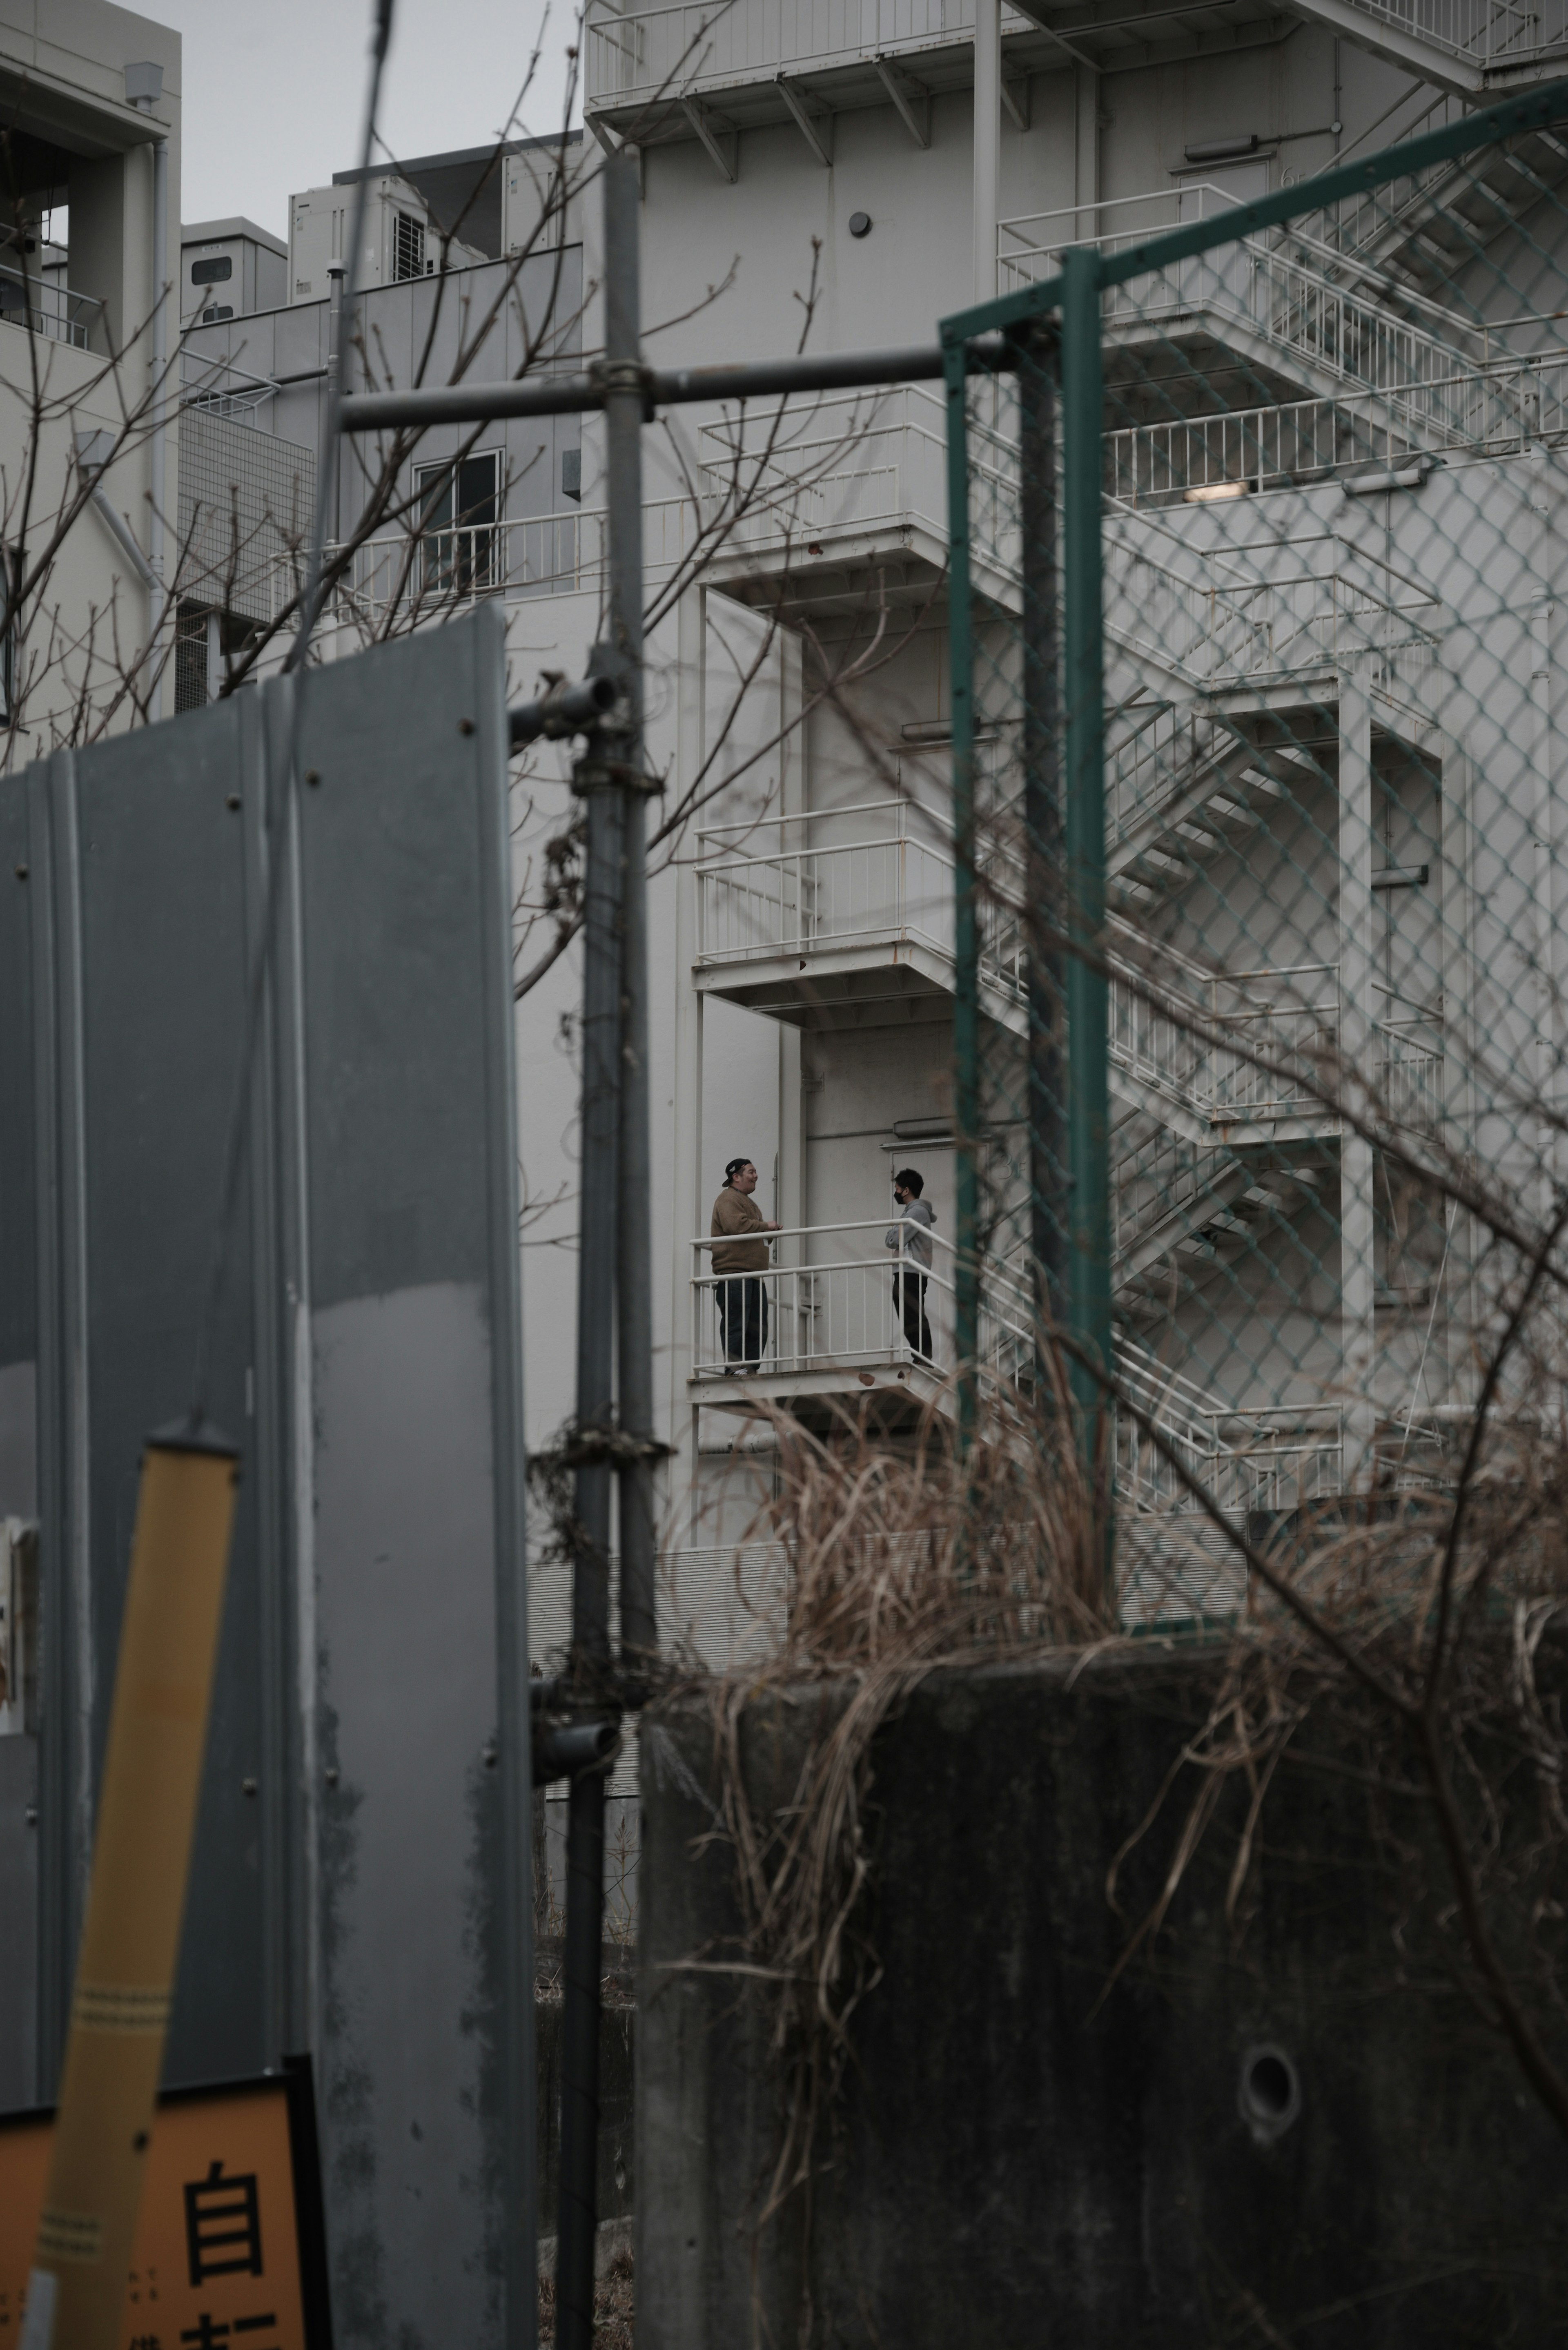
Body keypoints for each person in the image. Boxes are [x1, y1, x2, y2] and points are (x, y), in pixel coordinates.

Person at [710, 1157, 779, 1371]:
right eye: (751, 1172)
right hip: (735, 1274)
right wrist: (766, 1226)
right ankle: (734, 1368)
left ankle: (749, 1369)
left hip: (753, 1275)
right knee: (737, 1324)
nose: (756, 1176)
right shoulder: (728, 1199)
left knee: (758, 1328)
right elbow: (735, 1226)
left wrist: (767, 1230)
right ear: (736, 1177)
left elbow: (747, 1229)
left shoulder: (745, 1200)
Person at [885, 1167, 935, 1362]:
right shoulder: (911, 1213)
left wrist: (892, 1235)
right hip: (907, 1269)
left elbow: (892, 1240)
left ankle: (923, 1356)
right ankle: (921, 1355)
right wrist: (893, 1235)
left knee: (912, 1314)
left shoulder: (917, 1212)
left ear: (906, 1190)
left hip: (911, 1269)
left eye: (898, 1188)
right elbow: (893, 1238)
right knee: (909, 1313)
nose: (896, 1192)